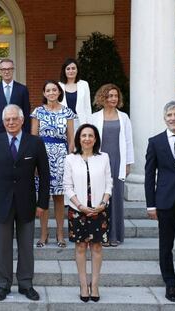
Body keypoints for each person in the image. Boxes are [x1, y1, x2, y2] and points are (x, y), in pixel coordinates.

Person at [0, 104, 49, 301]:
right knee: (2, 247)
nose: (11, 122)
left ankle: (26, 284)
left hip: (27, 203)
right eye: (7, 120)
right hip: (1, 203)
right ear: (3, 122)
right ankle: (3, 284)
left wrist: (42, 203)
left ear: (22, 120)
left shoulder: (35, 143)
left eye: (14, 119)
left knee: (26, 246)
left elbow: (45, 175)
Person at [63, 123, 112, 302]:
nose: (87, 139)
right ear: (78, 138)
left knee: (97, 247)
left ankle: (95, 285)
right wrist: (80, 206)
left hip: (100, 209)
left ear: (95, 139)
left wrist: (103, 203)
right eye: (83, 135)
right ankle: (84, 285)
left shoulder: (104, 157)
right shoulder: (70, 159)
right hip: (78, 210)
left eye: (90, 135)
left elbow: (109, 183)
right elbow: (67, 187)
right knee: (81, 247)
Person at [145, 101, 175, 302]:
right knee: (166, 245)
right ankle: (170, 283)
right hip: (165, 201)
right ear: (164, 118)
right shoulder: (155, 142)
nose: (173, 118)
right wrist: (150, 204)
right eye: (169, 115)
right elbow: (148, 175)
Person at [31, 80, 75, 248]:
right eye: (48, 90)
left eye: (54, 90)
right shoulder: (38, 112)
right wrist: (34, 162)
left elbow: (71, 138)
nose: (51, 93)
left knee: (59, 197)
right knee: (43, 196)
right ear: (44, 93)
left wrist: (70, 160)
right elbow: (33, 138)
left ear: (59, 92)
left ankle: (60, 233)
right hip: (42, 156)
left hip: (62, 157)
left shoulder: (67, 112)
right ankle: (43, 233)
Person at [90, 84, 134, 247]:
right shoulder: (95, 117)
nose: (113, 98)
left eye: (115, 96)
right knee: (100, 198)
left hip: (118, 162)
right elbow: (90, 139)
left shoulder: (124, 117)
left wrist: (128, 163)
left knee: (115, 199)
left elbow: (129, 141)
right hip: (100, 162)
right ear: (103, 97)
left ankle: (114, 235)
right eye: (109, 96)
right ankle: (101, 234)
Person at [0, 58, 31, 134]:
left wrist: (27, 133)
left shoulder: (22, 89)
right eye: (3, 69)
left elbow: (26, 112)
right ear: (0, 71)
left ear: (13, 70)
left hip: (18, 130)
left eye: (9, 69)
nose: (6, 72)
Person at [59, 58, 91, 128]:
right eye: (68, 69)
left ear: (77, 70)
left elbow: (87, 107)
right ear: (64, 71)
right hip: (63, 122)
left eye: (73, 68)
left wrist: (88, 124)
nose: (71, 71)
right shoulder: (59, 85)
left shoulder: (84, 84)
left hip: (81, 121)